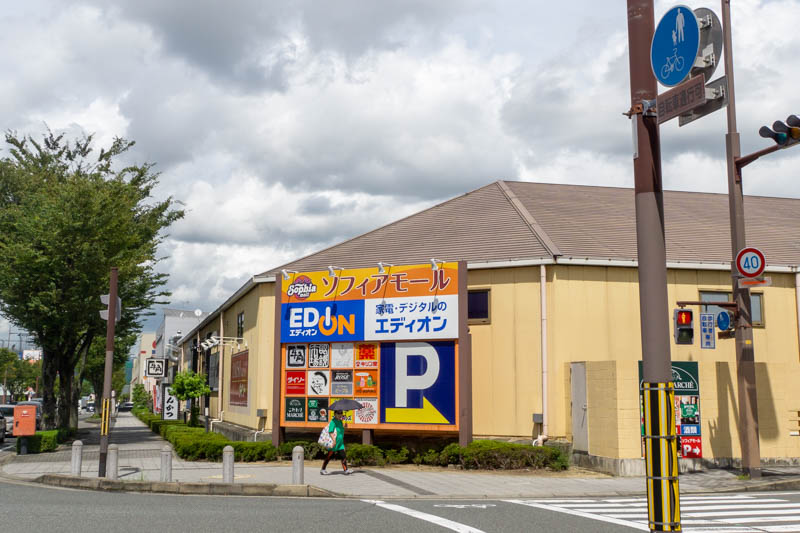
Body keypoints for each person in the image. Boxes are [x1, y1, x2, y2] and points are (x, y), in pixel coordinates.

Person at [320, 410, 350, 475]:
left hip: (340, 443)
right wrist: (334, 440)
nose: (340, 415)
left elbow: (341, 431)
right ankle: (323, 469)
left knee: (343, 456)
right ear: (335, 414)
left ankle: (346, 470)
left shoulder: (340, 421)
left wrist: (345, 426)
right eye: (338, 413)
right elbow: (330, 432)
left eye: (341, 413)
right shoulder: (333, 422)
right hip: (334, 442)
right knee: (329, 456)